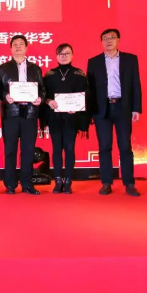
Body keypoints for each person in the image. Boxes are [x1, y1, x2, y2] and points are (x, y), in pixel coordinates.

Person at [87, 28, 143, 196]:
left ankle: (129, 183)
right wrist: (89, 111)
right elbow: (90, 89)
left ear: (118, 40)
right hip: (101, 109)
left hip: (122, 107)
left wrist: (136, 108)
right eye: (105, 38)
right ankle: (106, 183)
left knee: (125, 146)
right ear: (101, 42)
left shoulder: (130, 59)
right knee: (104, 146)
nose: (109, 40)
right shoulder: (94, 62)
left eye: (112, 37)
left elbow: (136, 84)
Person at [0, 34, 45, 194]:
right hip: (11, 114)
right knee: (10, 150)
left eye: (21, 44)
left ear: (26, 47)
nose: (18, 47)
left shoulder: (35, 69)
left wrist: (40, 98)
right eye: (15, 44)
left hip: (30, 114)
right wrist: (5, 96)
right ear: (10, 48)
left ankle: (27, 183)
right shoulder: (3, 69)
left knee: (28, 150)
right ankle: (10, 184)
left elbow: (42, 89)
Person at [41, 44, 90, 194]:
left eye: (67, 53)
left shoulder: (79, 74)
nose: (64, 56)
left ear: (72, 55)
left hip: (71, 118)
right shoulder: (49, 75)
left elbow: (87, 95)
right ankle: (57, 180)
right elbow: (42, 94)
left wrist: (78, 106)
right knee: (56, 149)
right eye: (61, 54)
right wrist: (48, 101)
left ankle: (68, 181)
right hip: (55, 118)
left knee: (69, 148)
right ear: (56, 56)